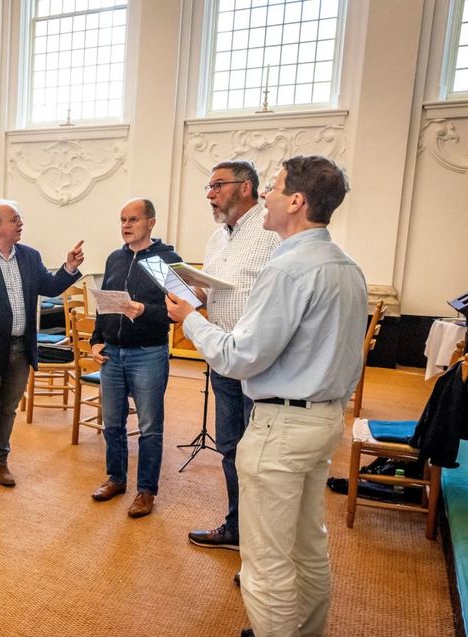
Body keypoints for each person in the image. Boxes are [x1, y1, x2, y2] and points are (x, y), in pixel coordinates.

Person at [166, 155, 367, 637]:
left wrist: (190, 320)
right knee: (307, 546)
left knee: (266, 562)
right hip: (322, 418)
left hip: (282, 426)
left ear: (296, 201)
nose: (267, 197)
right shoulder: (347, 267)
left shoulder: (287, 269)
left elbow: (239, 357)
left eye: (274, 189)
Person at [0, 199, 84, 490]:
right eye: (15, 219)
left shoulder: (29, 256)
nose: (20, 223)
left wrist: (69, 267)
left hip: (21, 348)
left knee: (8, 409)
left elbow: (49, 287)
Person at [187, 161, 279, 548]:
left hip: (260, 364)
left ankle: (263, 540)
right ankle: (237, 527)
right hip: (223, 359)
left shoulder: (272, 234)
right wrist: (191, 296)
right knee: (231, 447)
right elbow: (221, 292)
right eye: (208, 187)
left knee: (259, 457)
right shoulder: (216, 239)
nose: (210, 194)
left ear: (246, 187)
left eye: (217, 186)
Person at [88, 198, 181, 518]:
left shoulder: (164, 260)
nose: (126, 226)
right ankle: (116, 478)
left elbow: (177, 311)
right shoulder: (115, 258)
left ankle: (146, 491)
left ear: (151, 222)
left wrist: (145, 311)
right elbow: (106, 304)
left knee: (150, 427)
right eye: (122, 220)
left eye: (133, 220)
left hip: (148, 354)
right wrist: (96, 339)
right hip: (112, 353)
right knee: (112, 424)